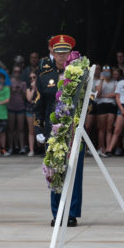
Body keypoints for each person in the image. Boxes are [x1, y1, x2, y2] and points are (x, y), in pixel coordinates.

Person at [34, 34, 84, 227]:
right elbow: (38, 106)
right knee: (55, 171)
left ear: (71, 54)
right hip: (52, 132)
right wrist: (38, 128)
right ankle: (57, 213)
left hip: (73, 130)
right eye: (58, 52)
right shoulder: (45, 77)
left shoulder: (79, 76)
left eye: (66, 52)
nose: (62, 56)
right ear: (52, 53)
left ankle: (71, 213)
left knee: (73, 173)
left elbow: (89, 102)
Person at [95, 65, 117, 157]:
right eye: (104, 71)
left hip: (111, 105)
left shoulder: (115, 82)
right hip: (102, 105)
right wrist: (102, 80)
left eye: (108, 71)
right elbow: (98, 94)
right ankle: (101, 147)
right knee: (102, 129)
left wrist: (105, 96)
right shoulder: (98, 82)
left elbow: (114, 95)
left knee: (109, 128)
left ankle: (108, 148)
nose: (106, 73)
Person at [7, 66, 27, 154]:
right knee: (11, 128)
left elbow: (25, 97)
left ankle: (22, 147)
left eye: (19, 72)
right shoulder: (9, 82)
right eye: (15, 71)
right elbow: (6, 95)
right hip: (11, 106)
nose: (17, 73)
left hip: (21, 107)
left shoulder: (23, 83)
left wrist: (21, 91)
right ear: (13, 72)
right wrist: (12, 90)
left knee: (21, 128)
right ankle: (11, 147)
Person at [25, 70, 38, 156]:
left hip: (38, 110)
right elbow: (29, 99)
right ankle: (31, 149)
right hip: (30, 110)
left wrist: (36, 88)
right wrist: (33, 89)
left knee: (40, 129)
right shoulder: (28, 89)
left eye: (34, 77)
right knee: (31, 130)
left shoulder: (41, 87)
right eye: (31, 78)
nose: (32, 79)